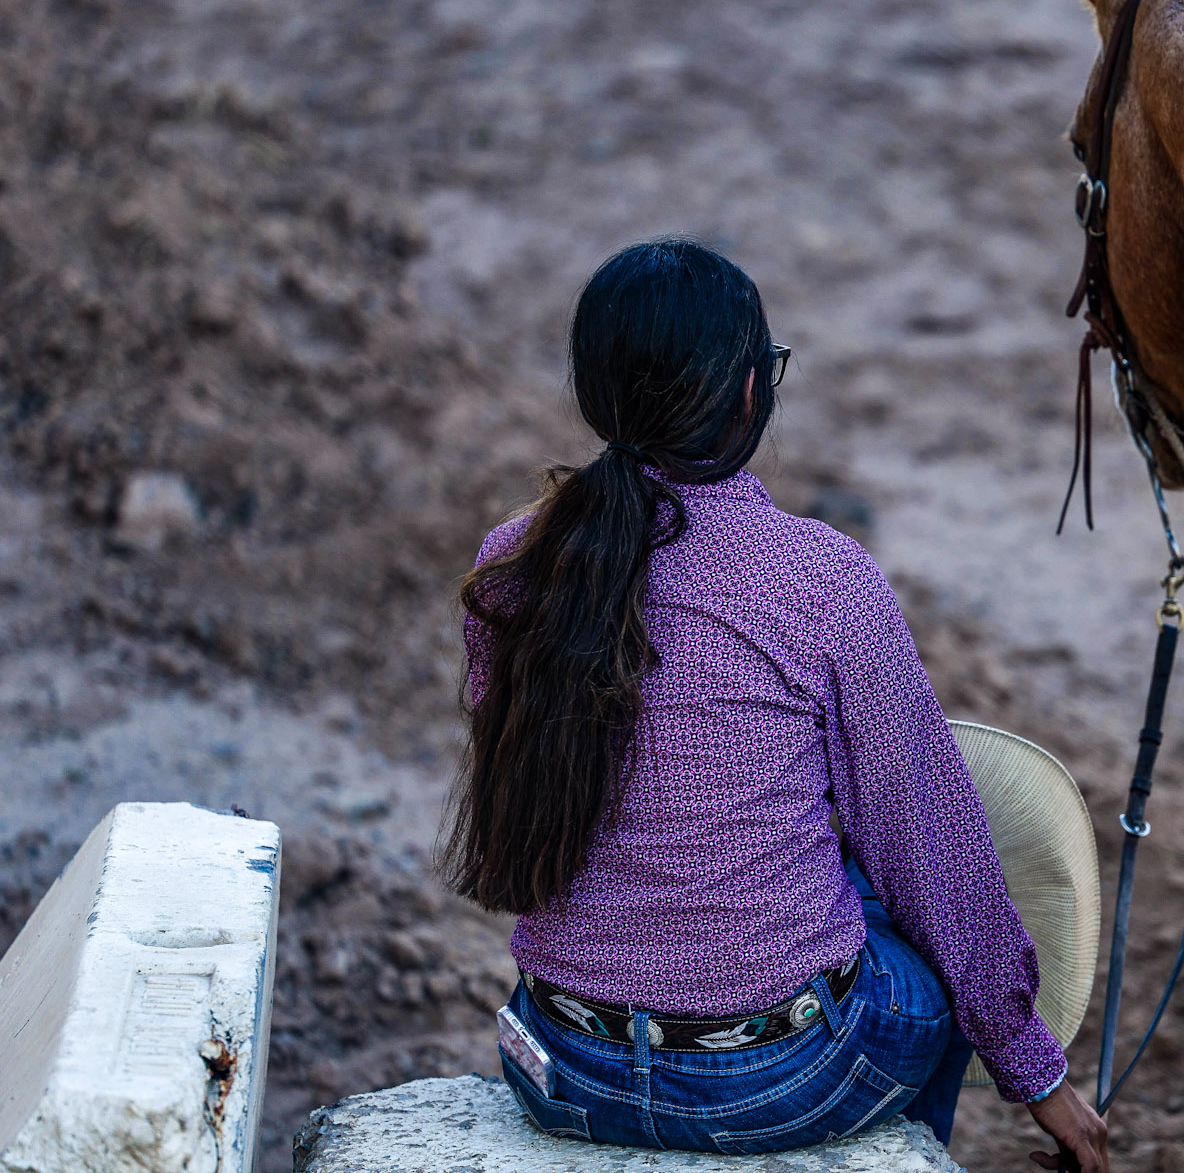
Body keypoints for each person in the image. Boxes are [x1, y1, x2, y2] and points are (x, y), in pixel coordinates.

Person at [441, 237, 1110, 1170]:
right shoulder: (821, 582)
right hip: (773, 1079)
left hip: (562, 1065)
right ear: (751, 393)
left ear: (596, 395)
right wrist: (1039, 1075)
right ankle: (905, 1150)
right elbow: (931, 850)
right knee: (939, 959)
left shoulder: (514, 567)